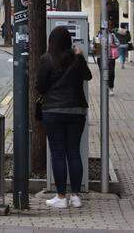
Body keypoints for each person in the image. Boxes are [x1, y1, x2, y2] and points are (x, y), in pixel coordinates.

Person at [37, 26, 92, 209]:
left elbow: (40, 86)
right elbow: (88, 76)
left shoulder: (47, 59)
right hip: (77, 112)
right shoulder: (76, 59)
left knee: (58, 153)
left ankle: (61, 197)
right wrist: (80, 56)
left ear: (51, 41)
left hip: (53, 111)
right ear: (69, 42)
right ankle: (75, 196)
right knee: (74, 152)